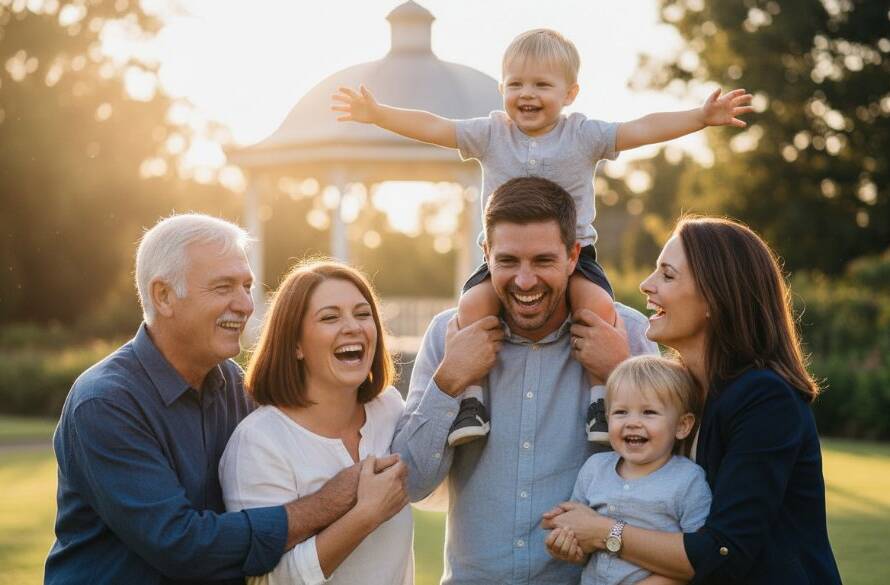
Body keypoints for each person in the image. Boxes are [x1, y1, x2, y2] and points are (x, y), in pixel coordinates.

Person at [332, 28, 752, 448]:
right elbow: (435, 127)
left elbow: (640, 128)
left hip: (578, 255)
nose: (526, 94)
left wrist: (699, 117)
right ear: (501, 89)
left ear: (570, 93)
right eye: (515, 84)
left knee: (598, 309)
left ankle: (600, 400)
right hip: (506, 256)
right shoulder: (491, 133)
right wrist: (379, 113)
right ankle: (471, 402)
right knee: (472, 307)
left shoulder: (583, 135)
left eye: (541, 85)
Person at [46, 214, 371, 585]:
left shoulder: (236, 385)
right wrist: (329, 503)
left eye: (247, 286)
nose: (245, 304)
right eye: (223, 287)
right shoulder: (105, 403)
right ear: (163, 296)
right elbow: (183, 546)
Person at [543, 216, 842, 584]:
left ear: (715, 298)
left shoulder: (766, 400)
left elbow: (724, 551)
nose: (646, 285)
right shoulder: (685, 390)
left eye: (667, 275)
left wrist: (604, 531)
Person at [391, 176, 658, 584]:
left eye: (543, 261)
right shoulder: (449, 334)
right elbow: (411, 484)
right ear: (486, 254)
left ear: (573, 256)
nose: (525, 280)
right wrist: (449, 381)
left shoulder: (629, 334)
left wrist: (621, 375)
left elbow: (666, 481)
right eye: (509, 261)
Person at [219, 260, 413, 585]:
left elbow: (437, 487)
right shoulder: (258, 442)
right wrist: (365, 515)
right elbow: (267, 580)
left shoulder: (389, 407)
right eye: (330, 317)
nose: (352, 326)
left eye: (363, 314)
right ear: (295, 344)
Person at [545, 355, 711, 585]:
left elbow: (699, 556)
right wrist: (566, 545)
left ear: (682, 426)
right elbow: (583, 540)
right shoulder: (594, 469)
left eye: (649, 412)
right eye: (621, 412)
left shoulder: (688, 480)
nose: (632, 422)